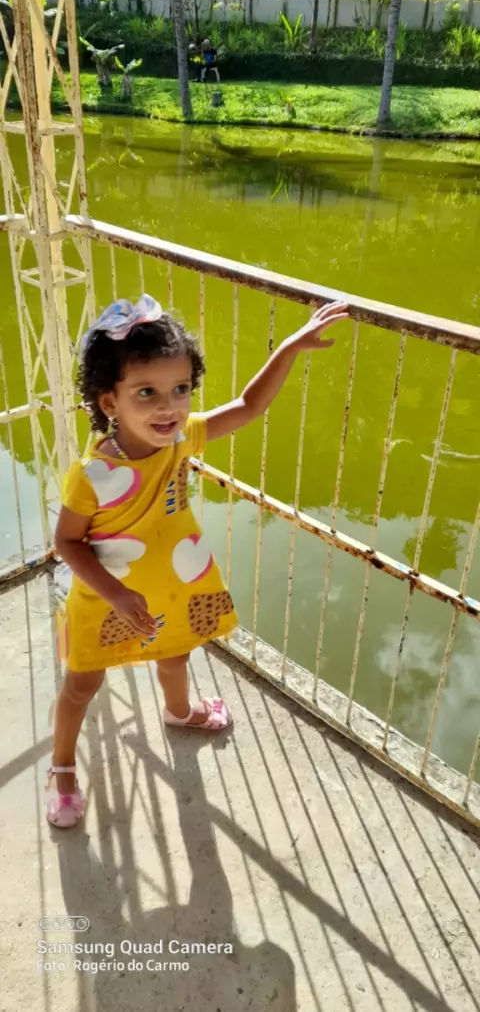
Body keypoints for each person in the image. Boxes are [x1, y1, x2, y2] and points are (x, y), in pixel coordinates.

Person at [46, 293, 347, 827]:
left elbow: (248, 406)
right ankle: (63, 768)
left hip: (175, 585)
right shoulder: (91, 476)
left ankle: (180, 711)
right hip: (106, 599)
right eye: (147, 392)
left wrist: (289, 348)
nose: (169, 407)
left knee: (176, 655)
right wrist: (117, 594)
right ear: (110, 402)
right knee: (82, 686)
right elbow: (67, 543)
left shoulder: (180, 441)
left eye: (181, 389)